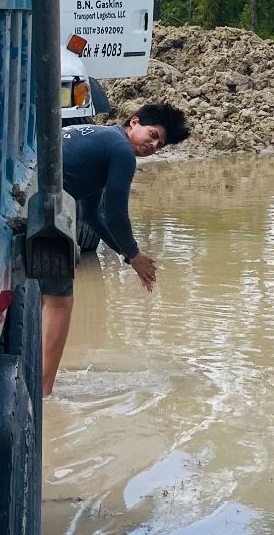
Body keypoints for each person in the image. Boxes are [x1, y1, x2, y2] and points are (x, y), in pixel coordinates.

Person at [41, 101, 190, 395]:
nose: (154, 145)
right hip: (44, 206)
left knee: (45, 299)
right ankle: (45, 392)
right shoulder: (121, 151)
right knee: (60, 303)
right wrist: (135, 256)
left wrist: (125, 254)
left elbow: (92, 215)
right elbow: (116, 212)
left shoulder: (103, 140)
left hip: (34, 196)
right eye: (153, 134)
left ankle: (39, 374)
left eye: (159, 145)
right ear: (134, 123)